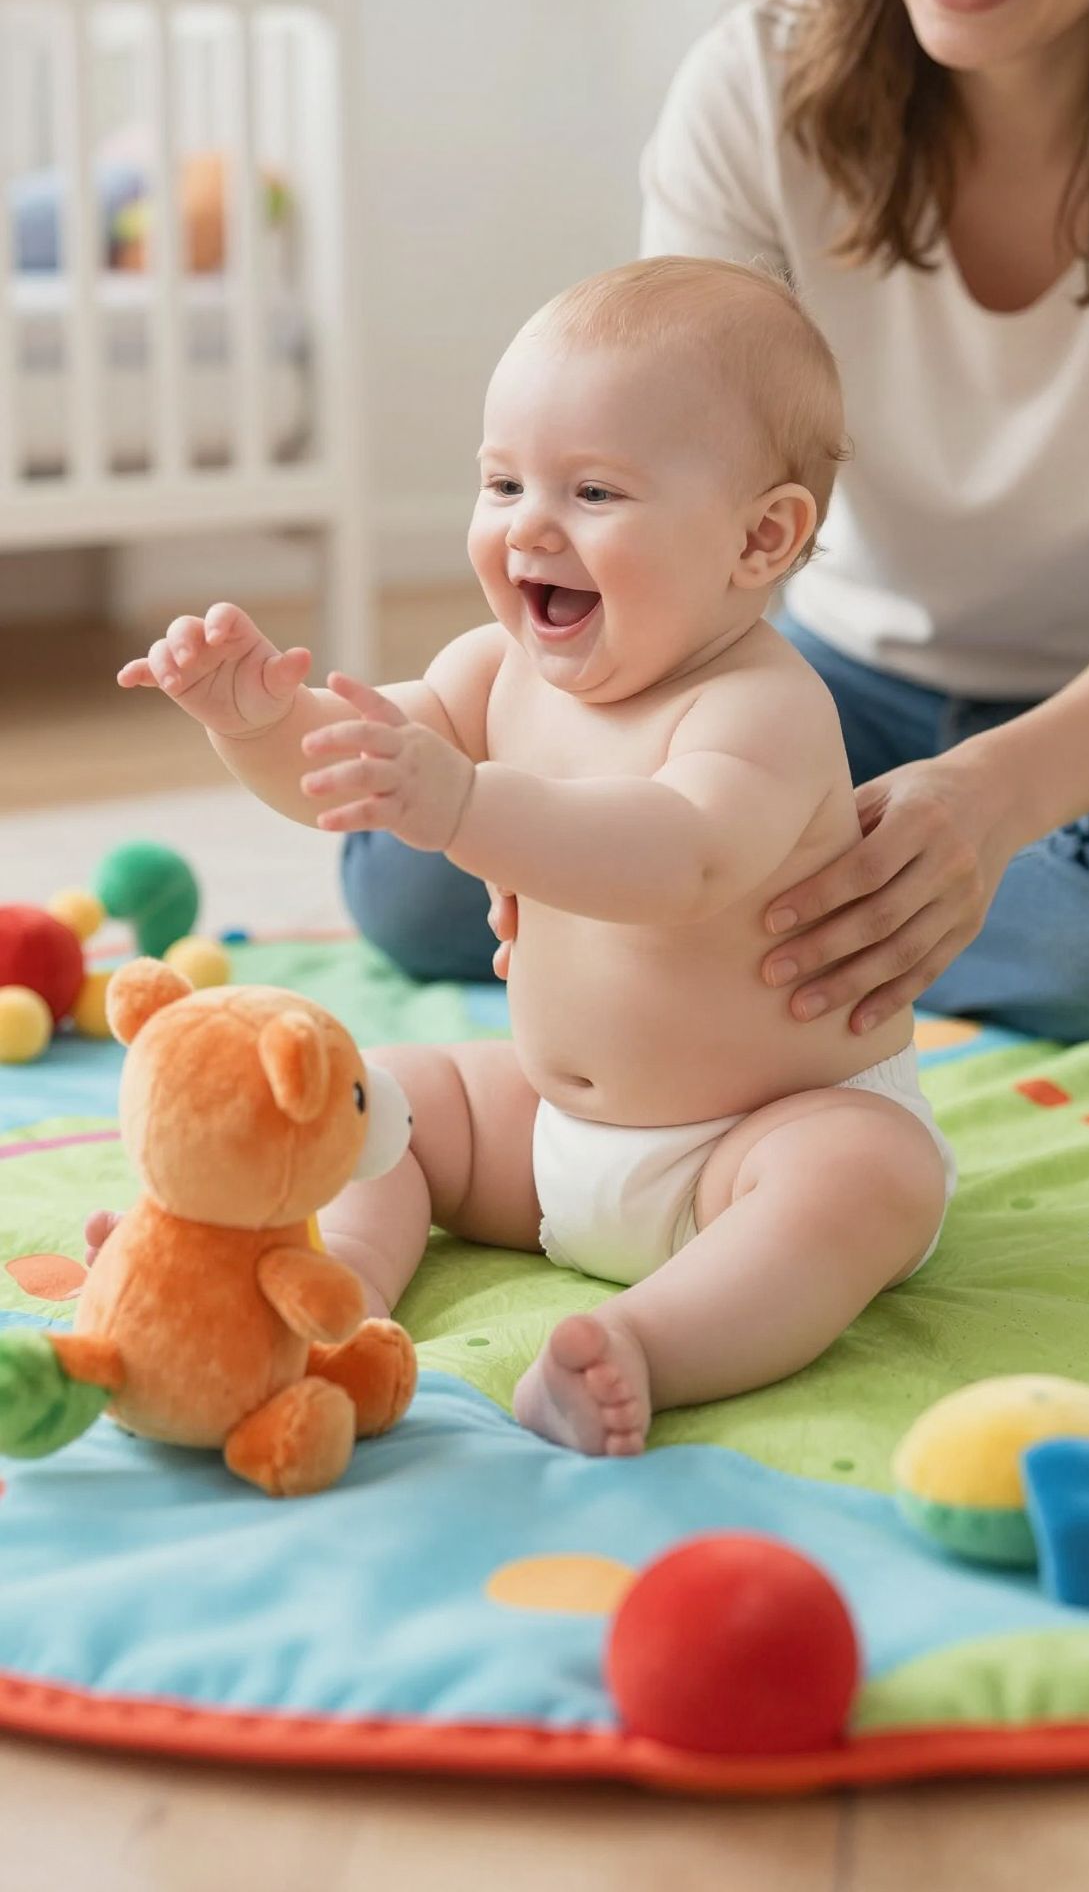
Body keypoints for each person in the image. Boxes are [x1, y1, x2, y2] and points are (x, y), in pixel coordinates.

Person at [95, 258, 955, 1456]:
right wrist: (252, 721)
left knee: (869, 1178)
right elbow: (341, 770)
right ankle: (328, 1290)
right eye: (502, 481)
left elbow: (682, 861)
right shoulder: (490, 671)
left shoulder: (760, 706)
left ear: (762, 538)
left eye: (594, 491)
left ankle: (648, 1346)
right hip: (544, 1134)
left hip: (756, 1136)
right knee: (396, 1092)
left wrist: (467, 805)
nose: (528, 525)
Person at [346, 0, 1089, 1049]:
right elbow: (677, 475)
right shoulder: (758, 85)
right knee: (405, 872)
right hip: (834, 678)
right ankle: (826, 913)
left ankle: (762, 915)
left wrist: (993, 802)